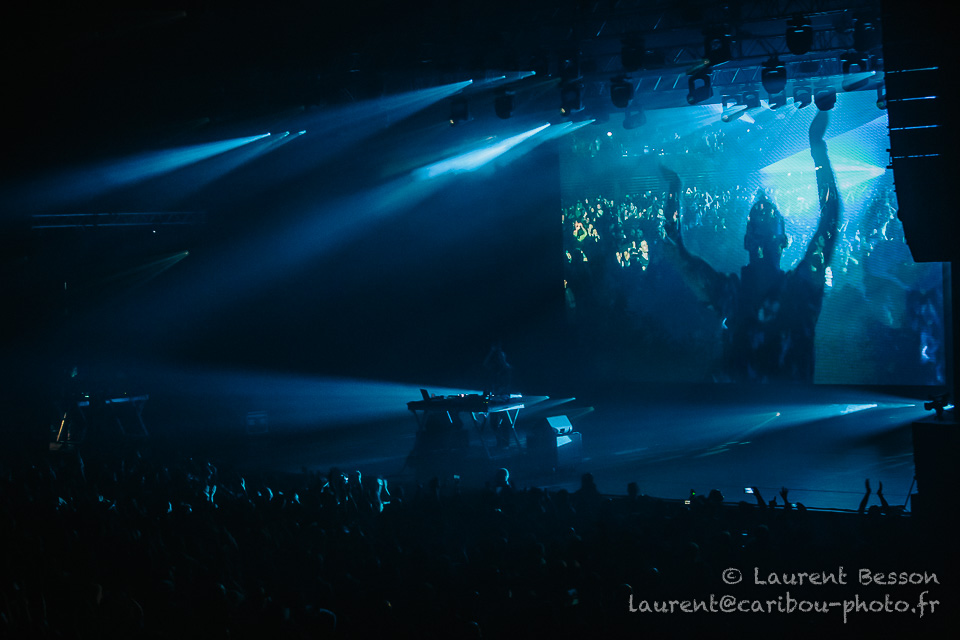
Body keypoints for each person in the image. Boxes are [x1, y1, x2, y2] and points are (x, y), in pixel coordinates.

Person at [661, 110, 839, 382]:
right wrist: (674, 189)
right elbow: (675, 248)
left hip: (787, 410)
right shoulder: (733, 293)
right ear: (746, 240)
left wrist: (818, 147)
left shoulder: (797, 290)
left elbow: (829, 221)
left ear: (783, 241)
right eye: (756, 222)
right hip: (741, 410)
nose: (761, 223)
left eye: (767, 221)